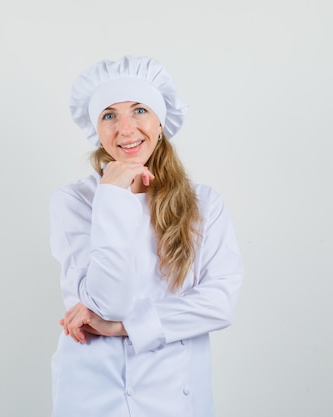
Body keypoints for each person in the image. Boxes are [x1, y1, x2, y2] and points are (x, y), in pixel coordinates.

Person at [48, 55, 245, 417]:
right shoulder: (74, 201)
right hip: (92, 392)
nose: (125, 129)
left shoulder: (204, 204)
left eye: (139, 110)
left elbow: (219, 302)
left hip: (173, 392)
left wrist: (124, 328)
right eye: (109, 115)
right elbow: (109, 302)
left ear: (159, 121)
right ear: (96, 129)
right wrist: (112, 197)